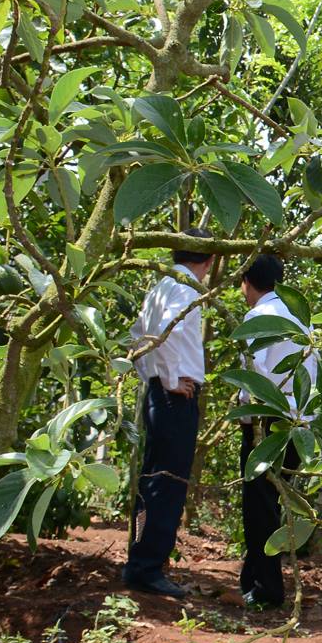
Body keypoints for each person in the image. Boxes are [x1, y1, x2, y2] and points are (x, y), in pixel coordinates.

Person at [125, 232, 216, 598]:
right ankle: (146, 569)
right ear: (209, 261)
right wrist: (170, 378)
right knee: (167, 480)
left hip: (160, 392)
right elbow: (166, 332)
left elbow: (137, 336)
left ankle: (142, 561)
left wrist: (153, 376)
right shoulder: (183, 287)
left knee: (154, 479)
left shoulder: (161, 285)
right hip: (174, 395)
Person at [235, 253, 316, 610]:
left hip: (268, 421)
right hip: (298, 424)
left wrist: (245, 413)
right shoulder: (301, 321)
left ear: (247, 283)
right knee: (271, 503)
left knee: (260, 506)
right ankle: (253, 578)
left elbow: (256, 376)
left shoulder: (259, 317)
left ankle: (267, 589)